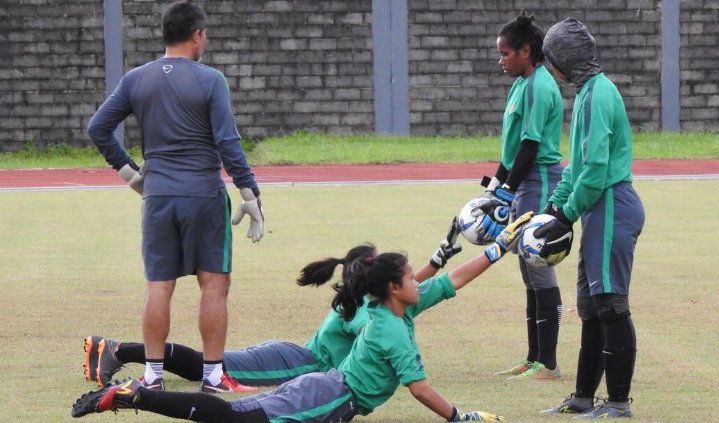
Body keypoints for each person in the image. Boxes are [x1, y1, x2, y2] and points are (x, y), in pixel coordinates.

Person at [71, 213, 535, 422]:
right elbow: (419, 388)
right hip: (320, 385)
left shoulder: (380, 304)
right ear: (391, 288)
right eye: (410, 279)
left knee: (228, 403)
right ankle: (132, 391)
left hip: (322, 388)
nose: (419, 284)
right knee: (230, 412)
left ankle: (132, 390)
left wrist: (495, 250)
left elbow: (446, 283)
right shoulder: (379, 324)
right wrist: (461, 418)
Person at [86, 0, 264, 393]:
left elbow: (98, 128)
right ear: (197, 34)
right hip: (203, 194)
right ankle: (213, 377)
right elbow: (227, 141)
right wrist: (249, 192)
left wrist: (130, 172)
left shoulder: (136, 79)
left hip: (159, 197)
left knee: (159, 285)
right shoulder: (210, 79)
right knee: (214, 285)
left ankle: (152, 376)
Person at [83, 233, 461, 388]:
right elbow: (398, 301)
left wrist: (435, 262)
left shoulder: (361, 298)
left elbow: (403, 290)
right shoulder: (365, 311)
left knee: (211, 363)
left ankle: (117, 350)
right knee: (210, 366)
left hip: (292, 356)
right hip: (297, 364)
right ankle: (116, 351)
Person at [535, 18, 646, 418]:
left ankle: (617, 402)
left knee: (611, 303)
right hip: (598, 208)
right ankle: (582, 397)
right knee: (591, 305)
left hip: (612, 203)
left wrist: (565, 216)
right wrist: (553, 208)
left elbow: (597, 169)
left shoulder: (599, 95)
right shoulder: (585, 93)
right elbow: (576, 167)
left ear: (564, 59)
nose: (550, 67)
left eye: (552, 59)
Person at [484, 13, 565, 381]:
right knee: (527, 270)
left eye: (505, 53)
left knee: (538, 265)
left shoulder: (539, 86)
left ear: (525, 50)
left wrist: (506, 191)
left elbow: (531, 146)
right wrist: (493, 191)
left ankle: (548, 365)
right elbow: (511, 150)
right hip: (524, 183)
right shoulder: (521, 83)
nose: (501, 60)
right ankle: (533, 359)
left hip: (541, 181)